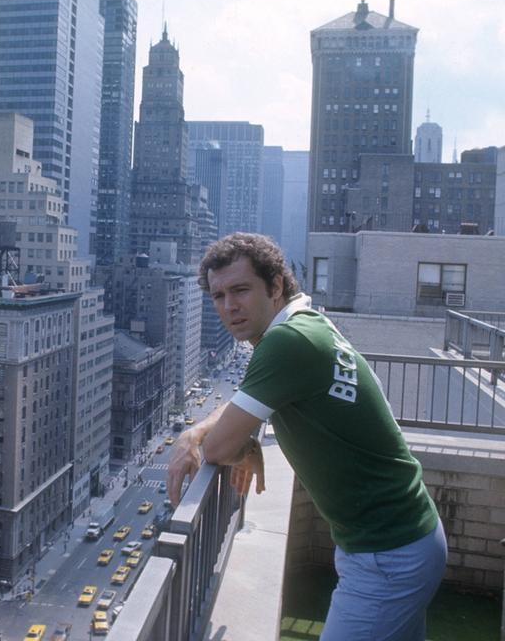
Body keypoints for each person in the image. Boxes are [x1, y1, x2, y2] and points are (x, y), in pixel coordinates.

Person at [167, 232, 447, 641]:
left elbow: (219, 449)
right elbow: (244, 402)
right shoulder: (305, 324)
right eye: (219, 296)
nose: (229, 307)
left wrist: (236, 444)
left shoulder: (287, 343)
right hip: (404, 538)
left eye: (241, 290)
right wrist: (199, 429)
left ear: (276, 286)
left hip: (387, 554)